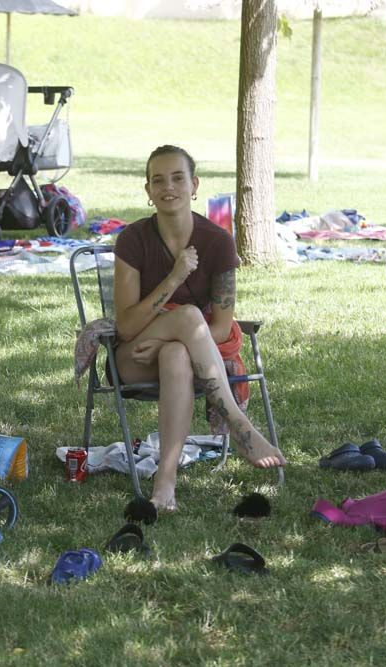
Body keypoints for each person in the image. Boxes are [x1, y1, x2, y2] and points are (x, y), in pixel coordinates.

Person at [112, 145, 285, 512]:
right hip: (134, 357)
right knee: (189, 316)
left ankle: (165, 483)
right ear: (147, 190)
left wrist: (164, 338)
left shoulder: (217, 242)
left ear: (194, 185)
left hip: (184, 356)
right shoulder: (133, 239)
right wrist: (174, 279)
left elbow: (221, 329)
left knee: (175, 351)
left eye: (177, 177)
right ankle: (238, 423)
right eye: (157, 180)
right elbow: (126, 327)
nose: (167, 186)